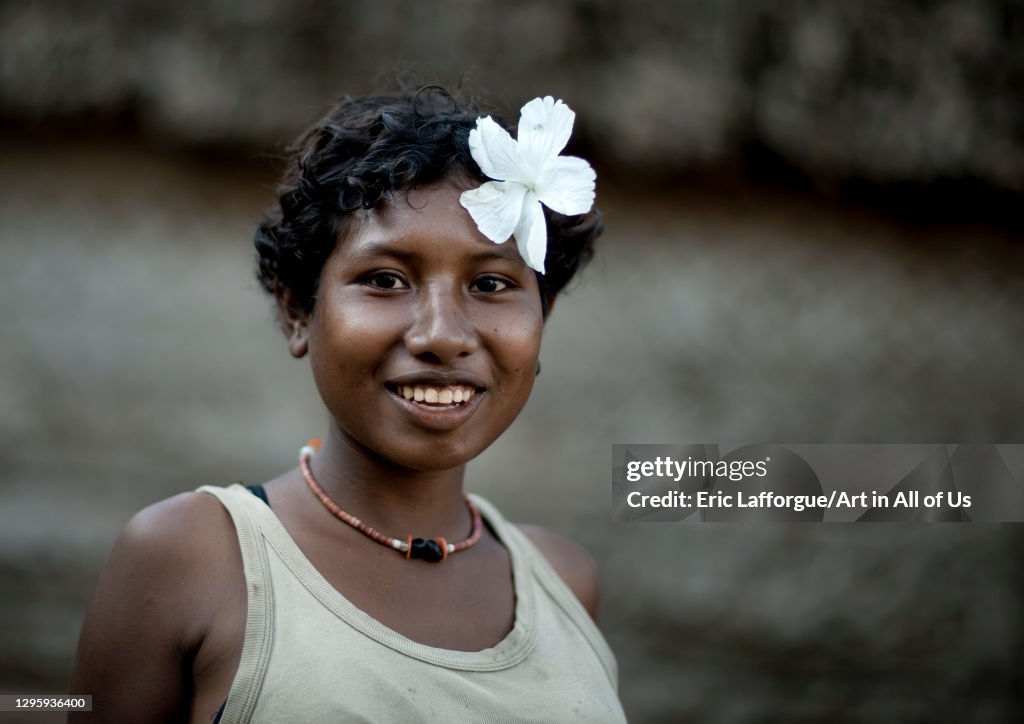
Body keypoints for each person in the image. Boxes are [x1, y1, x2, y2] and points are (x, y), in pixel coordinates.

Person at [70, 86, 626, 723]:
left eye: (492, 284)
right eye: (386, 280)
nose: (441, 334)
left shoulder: (562, 583)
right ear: (298, 311)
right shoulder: (191, 558)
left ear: (541, 318)